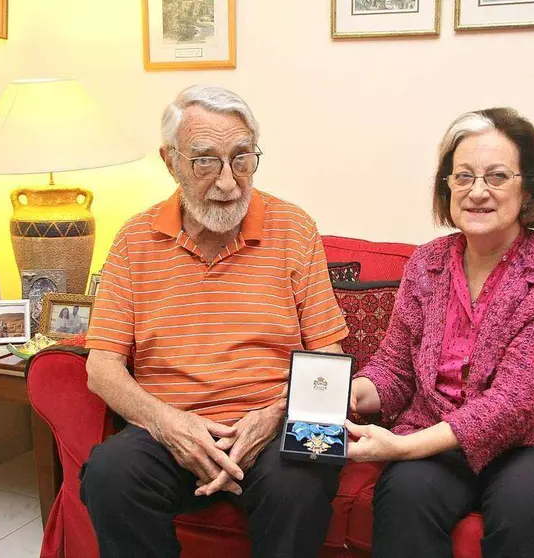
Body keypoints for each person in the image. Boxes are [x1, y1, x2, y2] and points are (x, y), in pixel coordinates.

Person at [80, 85, 349, 558]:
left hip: (276, 420)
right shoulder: (134, 240)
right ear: (171, 161)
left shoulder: (294, 227)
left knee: (306, 474)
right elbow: (101, 367)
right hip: (171, 425)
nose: (228, 182)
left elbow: (329, 359)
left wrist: (272, 417)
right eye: (206, 161)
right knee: (109, 472)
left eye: (242, 158)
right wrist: (170, 425)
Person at [346, 107, 534, 558]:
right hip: (436, 435)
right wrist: (350, 393)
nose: (477, 192)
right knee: (404, 497)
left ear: (528, 186)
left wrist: (403, 446)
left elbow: (515, 403)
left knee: (523, 509)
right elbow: (395, 370)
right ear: (448, 186)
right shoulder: (426, 263)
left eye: (497, 176)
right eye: (463, 177)